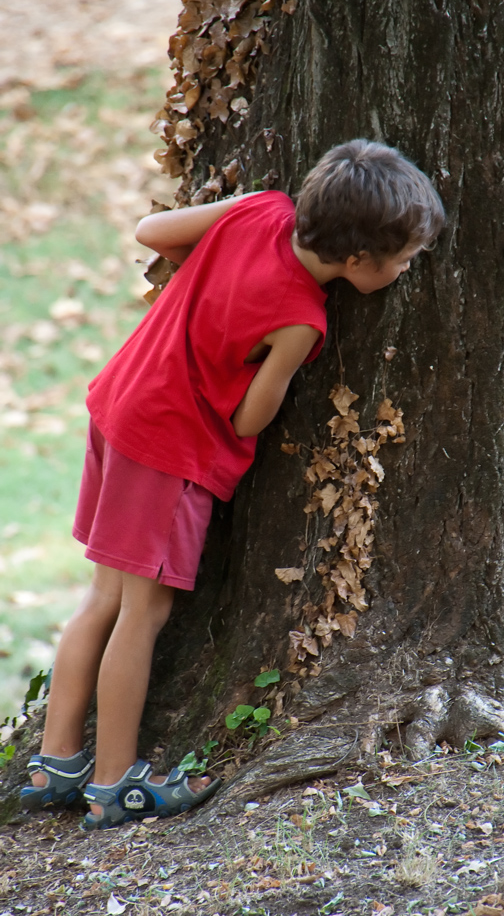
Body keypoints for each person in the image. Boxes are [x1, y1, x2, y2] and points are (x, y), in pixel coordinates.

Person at [20, 139, 445, 830]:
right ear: (358, 260)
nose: (403, 270)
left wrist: (226, 251)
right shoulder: (302, 320)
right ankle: (114, 783)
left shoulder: (259, 210)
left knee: (101, 596)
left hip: (118, 407)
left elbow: (152, 233)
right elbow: (250, 415)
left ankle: (56, 761)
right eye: (401, 260)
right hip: (166, 448)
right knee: (143, 613)